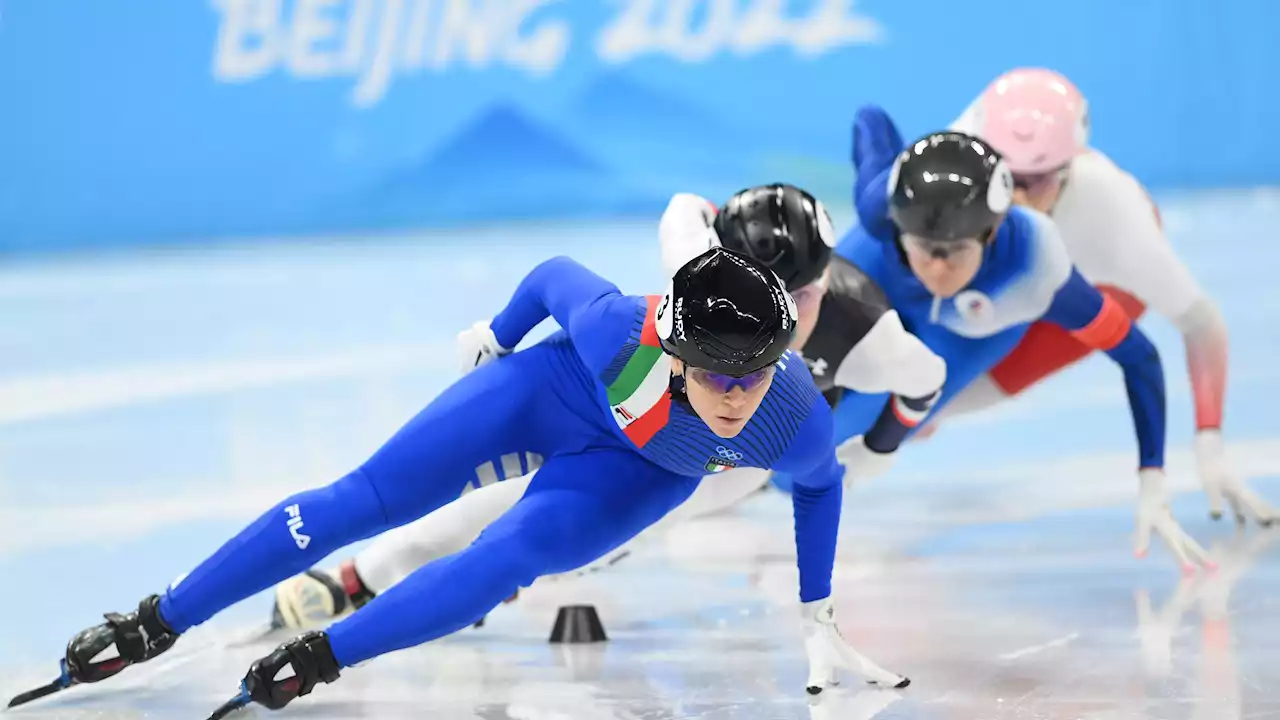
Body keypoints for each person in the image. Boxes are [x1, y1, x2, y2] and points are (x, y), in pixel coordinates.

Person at [52, 244, 908, 712]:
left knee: (503, 560)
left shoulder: (791, 417)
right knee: (362, 502)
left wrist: (816, 611)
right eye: (716, 376)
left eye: (753, 377)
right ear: (672, 351)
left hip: (635, 474)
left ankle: (320, 656)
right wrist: (497, 335)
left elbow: (822, 485)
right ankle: (154, 620)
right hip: (553, 392)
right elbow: (550, 276)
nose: (735, 398)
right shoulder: (617, 330)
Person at [270, 185, 946, 652]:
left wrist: (873, 455)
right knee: (503, 489)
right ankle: (370, 572)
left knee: (622, 521)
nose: (782, 316)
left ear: (826, 284)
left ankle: (508, 579)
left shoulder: (872, 339)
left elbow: (927, 385)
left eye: (801, 295)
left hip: (741, 450)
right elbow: (679, 212)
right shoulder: (697, 268)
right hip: (643, 403)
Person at [831, 114, 1214, 572]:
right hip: (876, 274)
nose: (935, 269)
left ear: (990, 232)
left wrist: (1152, 475)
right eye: (921, 247)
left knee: (839, 446)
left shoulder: (1037, 267)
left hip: (966, 329)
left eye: (954, 252)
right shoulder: (880, 209)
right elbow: (869, 120)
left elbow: (1139, 355)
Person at [928, 67, 1274, 527]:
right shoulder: (955, 156)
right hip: (1016, 267)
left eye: (1039, 180)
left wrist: (1209, 443)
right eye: (1009, 177)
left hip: (1099, 286)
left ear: (1072, 165)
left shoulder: (1117, 222)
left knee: (937, 403)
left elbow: (1201, 323)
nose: (1020, 198)